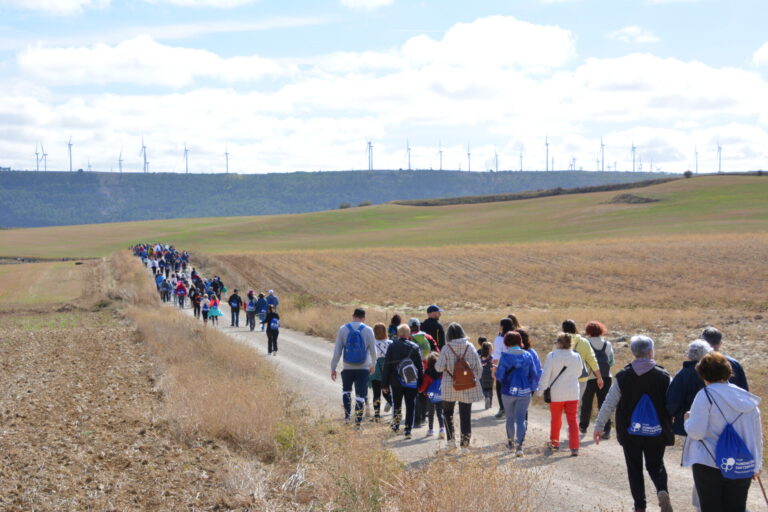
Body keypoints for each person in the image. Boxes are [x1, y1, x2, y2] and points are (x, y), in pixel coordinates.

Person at [593, 336, 674, 512]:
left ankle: (639, 506)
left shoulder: (623, 376)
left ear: (633, 353)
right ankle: (662, 489)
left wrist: (599, 426)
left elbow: (609, 402)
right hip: (656, 431)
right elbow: (674, 403)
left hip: (630, 432)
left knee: (634, 468)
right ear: (650, 352)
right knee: (656, 464)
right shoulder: (664, 376)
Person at [682, 352, 762, 512]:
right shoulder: (747, 399)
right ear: (728, 372)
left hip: (709, 463)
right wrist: (757, 465)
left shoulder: (704, 395)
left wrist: (687, 420)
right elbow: (756, 436)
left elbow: (697, 432)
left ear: (703, 374)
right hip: (741, 464)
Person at [666, 339, 712, 512]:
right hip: (714, 427)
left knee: (698, 466)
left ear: (689, 355)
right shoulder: (713, 373)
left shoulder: (683, 374)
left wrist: (677, 416)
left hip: (690, 427)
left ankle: (700, 505)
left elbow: (672, 402)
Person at [435, 323, 483, 448]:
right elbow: (478, 368)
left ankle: (451, 442)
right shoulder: (470, 347)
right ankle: (465, 444)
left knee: (448, 413)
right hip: (467, 385)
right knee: (465, 415)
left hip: (449, 385)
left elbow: (439, 368)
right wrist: (472, 379)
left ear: (448, 335)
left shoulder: (446, 348)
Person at [538, 333, 583, 456]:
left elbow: (546, 375)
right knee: (573, 420)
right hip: (573, 392)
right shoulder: (576, 356)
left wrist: (540, 390)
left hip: (556, 393)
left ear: (560, 343)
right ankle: (575, 447)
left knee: (556, 419)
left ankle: (554, 443)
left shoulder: (552, 356)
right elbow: (579, 373)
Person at [330, 308, 377, 425]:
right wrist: (373, 365)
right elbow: (373, 351)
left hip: (347, 367)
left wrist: (333, 367)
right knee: (360, 395)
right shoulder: (368, 330)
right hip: (363, 368)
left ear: (353, 316)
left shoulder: (343, 329)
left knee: (346, 391)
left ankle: (347, 417)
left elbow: (337, 351)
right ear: (364, 318)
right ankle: (358, 422)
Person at [495, 331, 537, 456]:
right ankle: (519, 447)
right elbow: (534, 374)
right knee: (521, 419)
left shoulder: (505, 356)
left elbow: (500, 376)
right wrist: (530, 387)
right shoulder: (528, 355)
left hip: (508, 391)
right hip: (524, 392)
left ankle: (511, 444)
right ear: (519, 341)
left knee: (510, 418)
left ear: (506, 342)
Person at [382, 324, 423, 438]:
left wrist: (384, 384)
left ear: (398, 334)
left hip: (395, 380)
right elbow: (420, 367)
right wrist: (420, 384)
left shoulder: (392, 346)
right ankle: (408, 430)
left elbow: (387, 366)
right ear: (409, 334)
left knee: (397, 404)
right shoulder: (415, 347)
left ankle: (395, 427)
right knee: (410, 405)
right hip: (411, 381)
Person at [579, 321, 615, 437]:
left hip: (589, 377)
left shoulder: (585, 343)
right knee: (604, 404)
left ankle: (583, 427)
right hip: (605, 377)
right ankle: (606, 429)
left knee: (587, 403)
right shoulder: (607, 344)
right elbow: (611, 361)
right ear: (601, 330)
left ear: (588, 331)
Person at [562, 320, 605, 401]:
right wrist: (599, 377)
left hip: (562, 378)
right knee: (575, 403)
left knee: (561, 403)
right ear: (575, 328)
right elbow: (592, 360)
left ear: (563, 329)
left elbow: (553, 360)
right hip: (580, 378)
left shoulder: (559, 342)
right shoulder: (584, 342)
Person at [409, 318, 437, 429]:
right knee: (425, 393)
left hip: (412, 369)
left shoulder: (408, 338)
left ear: (410, 327)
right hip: (427, 368)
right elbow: (436, 351)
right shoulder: (427, 337)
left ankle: (416, 420)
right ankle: (424, 417)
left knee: (415, 393)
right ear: (419, 326)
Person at [418, 352, 445, 438]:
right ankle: (442, 429)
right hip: (440, 394)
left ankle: (431, 430)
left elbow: (425, 384)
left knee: (431, 412)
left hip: (430, 395)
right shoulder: (442, 372)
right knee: (440, 412)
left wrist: (420, 390)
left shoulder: (427, 372)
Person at [369, 323, 393, 422]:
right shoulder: (390, 343)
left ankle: (377, 416)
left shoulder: (372, 343)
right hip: (387, 369)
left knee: (376, 393)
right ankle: (395, 408)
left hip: (376, 369)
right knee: (387, 392)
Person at [492, 318, 515, 418]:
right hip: (514, 365)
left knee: (500, 387)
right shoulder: (515, 336)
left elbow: (497, 355)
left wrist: (494, 369)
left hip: (502, 366)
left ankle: (503, 408)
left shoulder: (499, 339)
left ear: (502, 327)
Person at [478, 339, 494, 409]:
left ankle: (486, 397)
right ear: (490, 350)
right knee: (490, 388)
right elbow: (494, 365)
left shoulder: (480, 358)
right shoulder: (492, 358)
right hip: (490, 374)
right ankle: (490, 403)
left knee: (484, 388)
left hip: (483, 374)